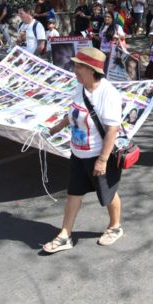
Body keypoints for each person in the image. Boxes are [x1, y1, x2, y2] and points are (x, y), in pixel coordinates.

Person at [42, 47, 124, 253]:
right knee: (74, 193)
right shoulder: (80, 87)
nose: (74, 69)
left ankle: (115, 227)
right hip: (78, 154)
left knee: (107, 194)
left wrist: (102, 160)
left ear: (91, 69)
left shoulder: (108, 94)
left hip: (97, 155)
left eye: (79, 66)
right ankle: (65, 235)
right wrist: (55, 128)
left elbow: (112, 130)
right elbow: (73, 113)